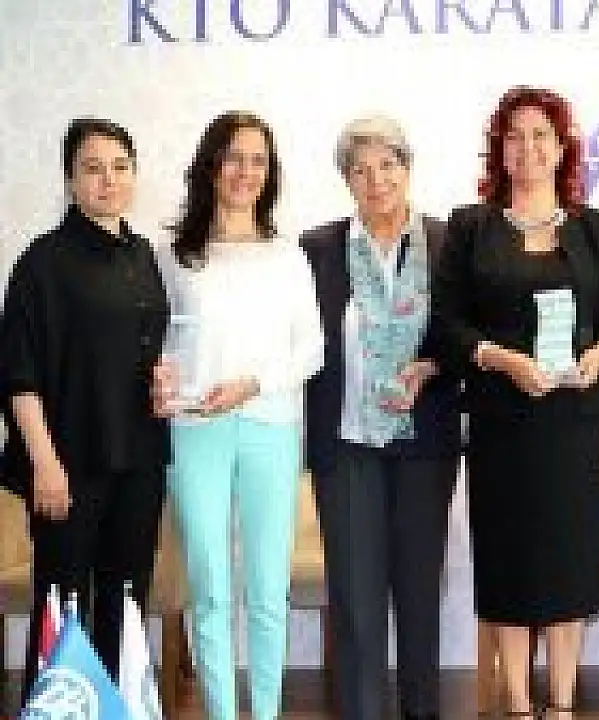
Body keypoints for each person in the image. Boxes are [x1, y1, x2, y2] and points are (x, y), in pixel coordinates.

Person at [432, 86, 599, 719]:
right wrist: (504, 360)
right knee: (510, 563)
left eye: (541, 134)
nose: (528, 147)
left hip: (574, 425)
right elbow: (448, 325)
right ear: (499, 149)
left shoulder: (593, 227)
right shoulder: (470, 227)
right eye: (514, 136)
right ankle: (518, 702)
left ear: (562, 147)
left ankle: (562, 703)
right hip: (502, 425)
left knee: (570, 564)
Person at [156, 110, 324, 720]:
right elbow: (160, 343)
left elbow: (311, 348)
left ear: (269, 173)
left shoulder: (288, 255)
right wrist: (159, 377)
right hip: (194, 431)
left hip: (270, 428)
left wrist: (252, 384)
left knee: (267, 589)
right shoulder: (174, 255)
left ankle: (267, 711)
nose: (245, 171)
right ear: (211, 166)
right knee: (208, 586)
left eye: (257, 160)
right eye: (233, 157)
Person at [299, 116, 461, 720]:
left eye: (387, 165)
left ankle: (422, 712)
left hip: (426, 443)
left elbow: (466, 335)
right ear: (346, 180)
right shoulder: (316, 249)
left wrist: (434, 365)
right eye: (360, 170)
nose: (376, 181)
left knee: (419, 596)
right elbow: (298, 340)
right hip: (347, 444)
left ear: (407, 169)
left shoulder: (448, 244)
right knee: (357, 601)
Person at [0, 118, 169, 696]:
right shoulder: (41, 263)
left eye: (120, 167)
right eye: (93, 168)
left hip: (139, 460)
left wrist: (163, 380)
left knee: (126, 603)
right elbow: (17, 376)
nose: (108, 180)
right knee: (63, 607)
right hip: (66, 466)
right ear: (71, 180)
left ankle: (118, 706)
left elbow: (139, 352)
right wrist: (44, 462)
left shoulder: (143, 255)